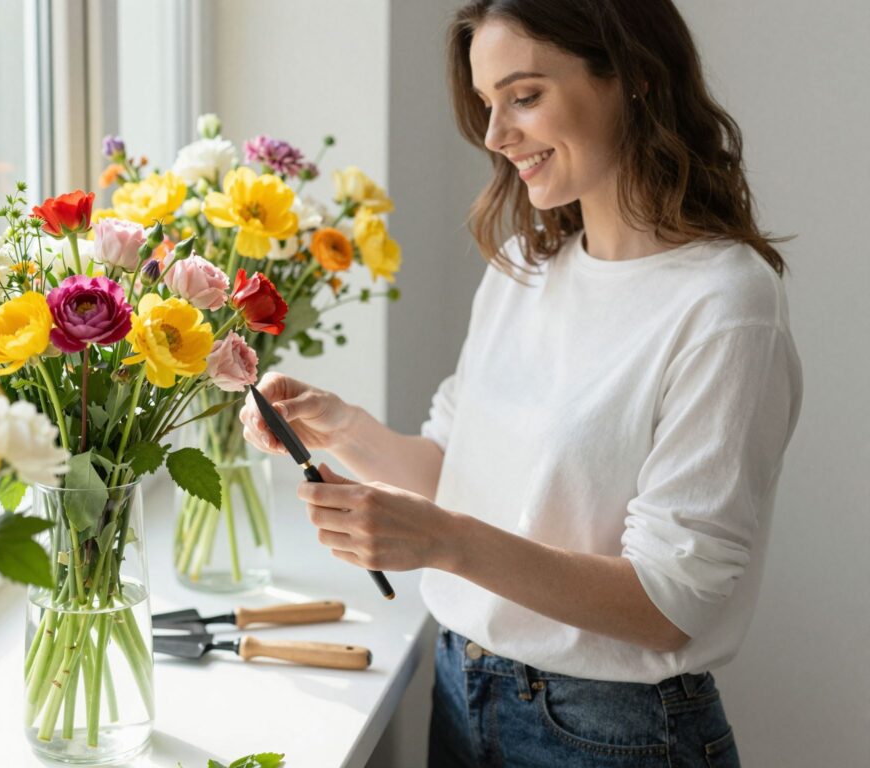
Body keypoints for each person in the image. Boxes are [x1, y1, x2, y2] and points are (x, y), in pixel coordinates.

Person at [239, 1, 802, 765]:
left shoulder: (727, 304)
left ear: (634, 76)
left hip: (612, 735)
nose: (497, 135)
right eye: (487, 104)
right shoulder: (525, 270)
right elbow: (460, 477)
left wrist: (442, 542)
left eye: (524, 96)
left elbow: (670, 605)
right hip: (462, 691)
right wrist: (341, 427)